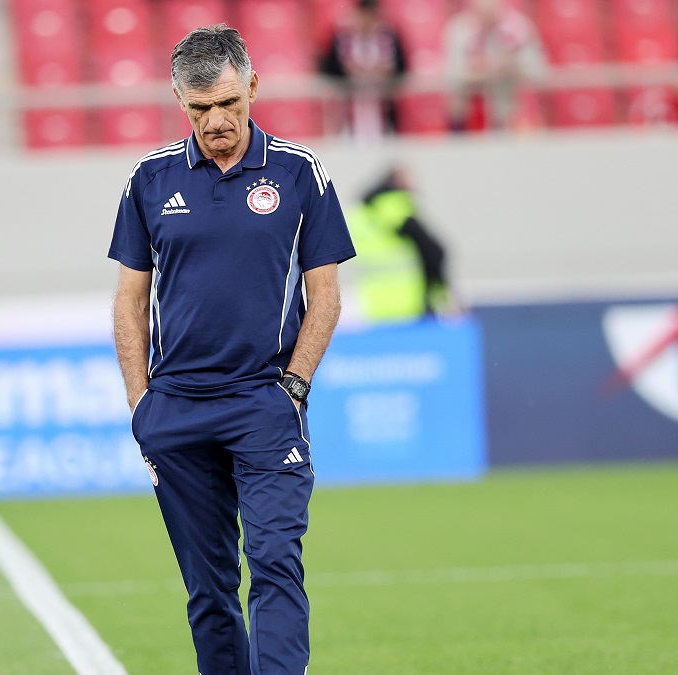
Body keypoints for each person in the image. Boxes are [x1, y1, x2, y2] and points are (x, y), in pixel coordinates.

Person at [109, 24, 356, 675]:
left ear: (252, 87)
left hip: (263, 405)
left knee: (275, 564)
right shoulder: (149, 179)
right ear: (178, 99)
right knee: (209, 586)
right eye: (200, 108)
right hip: (177, 410)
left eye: (228, 103)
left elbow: (326, 296)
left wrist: (293, 388)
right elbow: (129, 300)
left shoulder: (299, 173)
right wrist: (141, 404)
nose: (216, 120)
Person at [347, 165, 452, 322]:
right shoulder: (394, 205)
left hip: (374, 304)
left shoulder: (358, 213)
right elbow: (433, 251)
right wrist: (442, 292)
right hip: (409, 302)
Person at [444, 0, 546, 132]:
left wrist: (511, 65)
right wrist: (482, 69)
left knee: (506, 92)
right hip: (469, 105)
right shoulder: (460, 28)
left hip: (509, 105)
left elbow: (539, 71)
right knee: (458, 99)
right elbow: (452, 72)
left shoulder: (519, 26)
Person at [318, 0, 408, 140]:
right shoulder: (342, 37)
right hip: (350, 108)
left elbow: (402, 67)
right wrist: (348, 70)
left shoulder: (390, 36)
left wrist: (386, 70)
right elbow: (328, 68)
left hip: (382, 107)